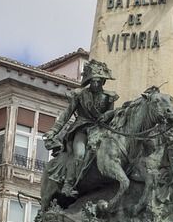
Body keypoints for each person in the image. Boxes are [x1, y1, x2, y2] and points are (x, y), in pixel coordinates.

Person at [44, 60, 118, 196]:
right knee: (79, 155)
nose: (95, 84)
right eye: (93, 81)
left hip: (100, 131)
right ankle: (68, 184)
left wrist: (108, 114)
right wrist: (54, 131)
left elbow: (111, 117)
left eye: (98, 81)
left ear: (103, 81)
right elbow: (67, 114)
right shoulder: (80, 95)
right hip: (82, 129)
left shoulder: (109, 97)